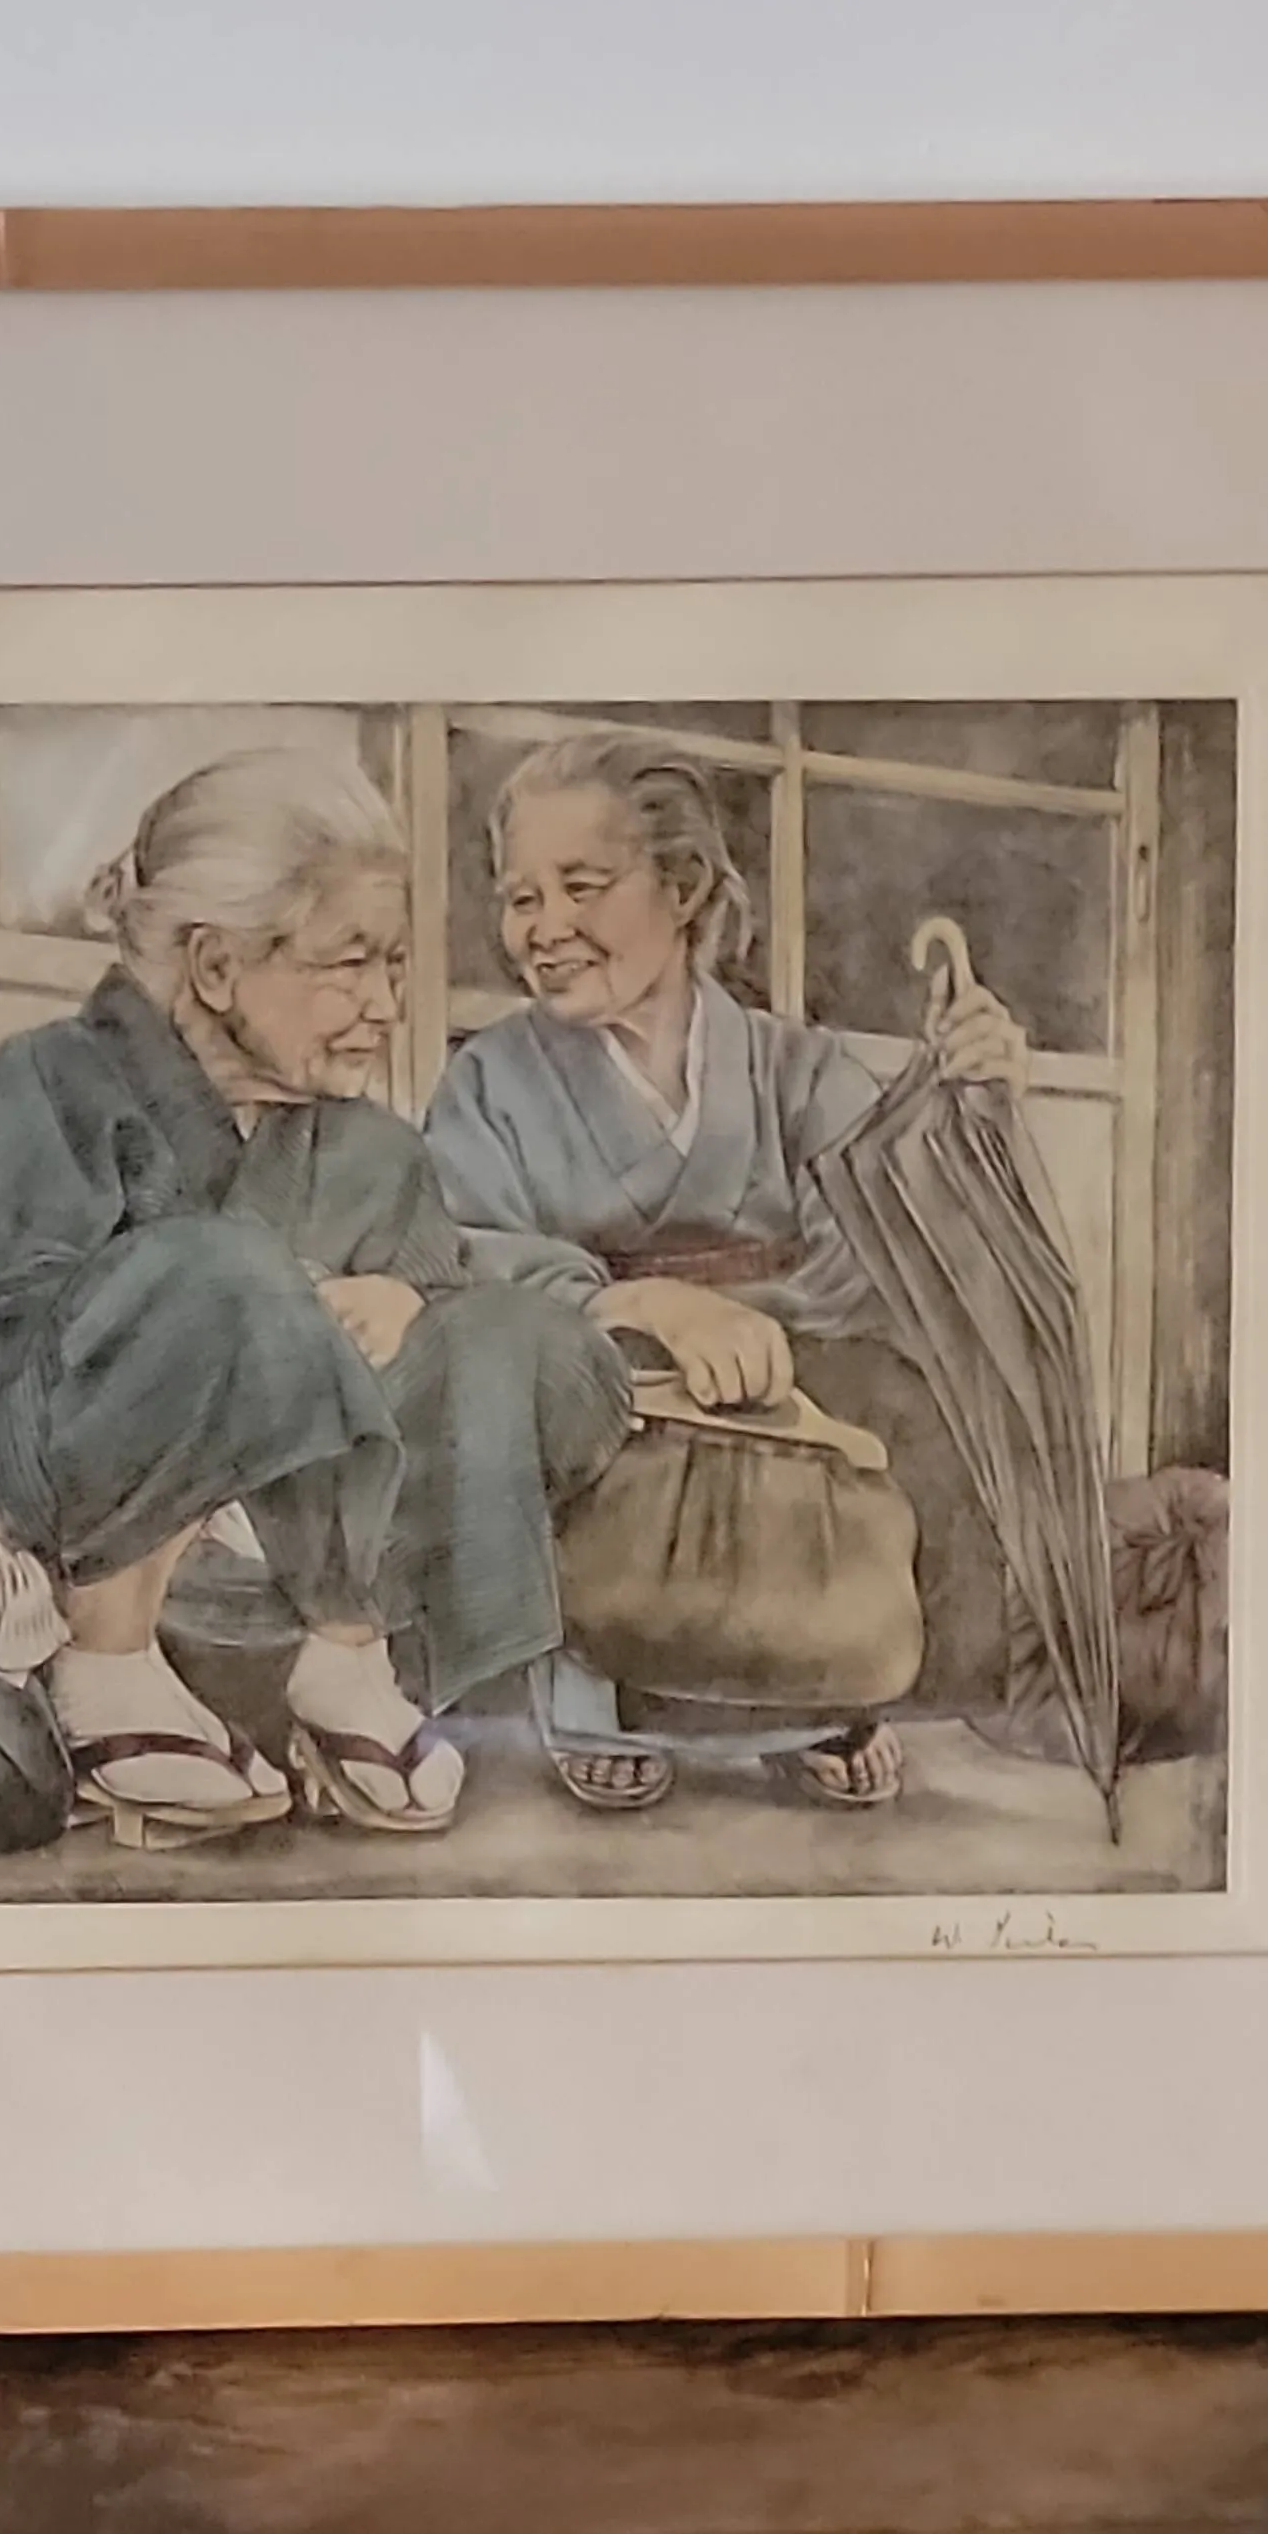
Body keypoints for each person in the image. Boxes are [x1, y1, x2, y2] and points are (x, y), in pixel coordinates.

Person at [0, 748, 632, 1847]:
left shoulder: (372, 1154)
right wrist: (229, 1323)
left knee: (518, 1335)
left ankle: (346, 1665)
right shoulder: (45, 1087)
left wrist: (403, 1305)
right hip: (73, 1519)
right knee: (229, 1271)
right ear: (215, 968)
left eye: (394, 966)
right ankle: (107, 1675)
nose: (383, 1004)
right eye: (347, 964)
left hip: (305, 1553)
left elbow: (448, 1308)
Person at [421, 729, 1032, 1813]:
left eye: (582, 887)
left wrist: (971, 1109)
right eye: (520, 898)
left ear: (686, 885)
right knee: (523, 1381)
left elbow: (910, 1243)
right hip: (607, 1388)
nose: (544, 928)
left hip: (781, 1384)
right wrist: (646, 1304)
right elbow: (462, 1254)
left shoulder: (794, 1066)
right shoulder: (490, 1083)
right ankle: (592, 1683)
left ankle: (816, 1691)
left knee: (881, 1390)